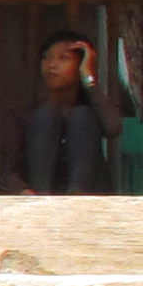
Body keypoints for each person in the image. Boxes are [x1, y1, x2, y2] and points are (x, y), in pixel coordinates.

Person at [19, 29, 114, 194]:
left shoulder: (90, 110)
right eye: (46, 57)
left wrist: (88, 76)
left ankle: (77, 195)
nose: (52, 64)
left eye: (63, 58)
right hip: (38, 200)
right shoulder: (26, 112)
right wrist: (22, 190)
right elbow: (8, 167)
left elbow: (113, 128)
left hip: (87, 200)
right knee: (45, 117)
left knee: (81, 116)